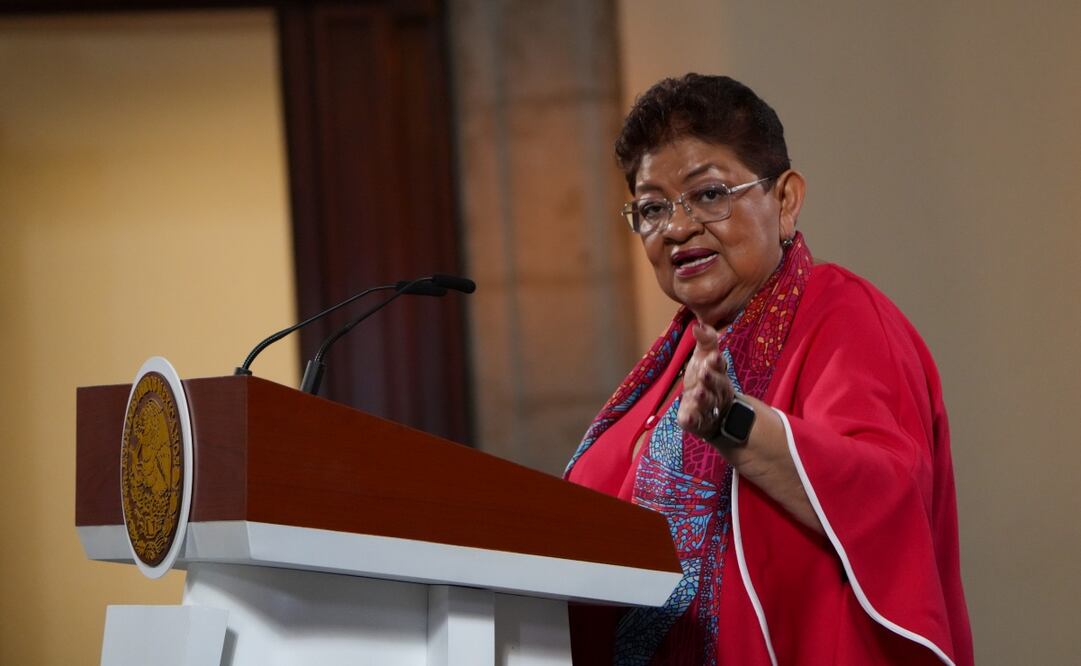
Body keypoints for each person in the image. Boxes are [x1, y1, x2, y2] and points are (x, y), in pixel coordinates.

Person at [564, 74, 973, 665]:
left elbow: (889, 495)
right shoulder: (668, 364)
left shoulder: (844, 317)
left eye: (709, 194)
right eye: (652, 208)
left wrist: (734, 424)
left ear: (785, 201)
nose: (676, 228)